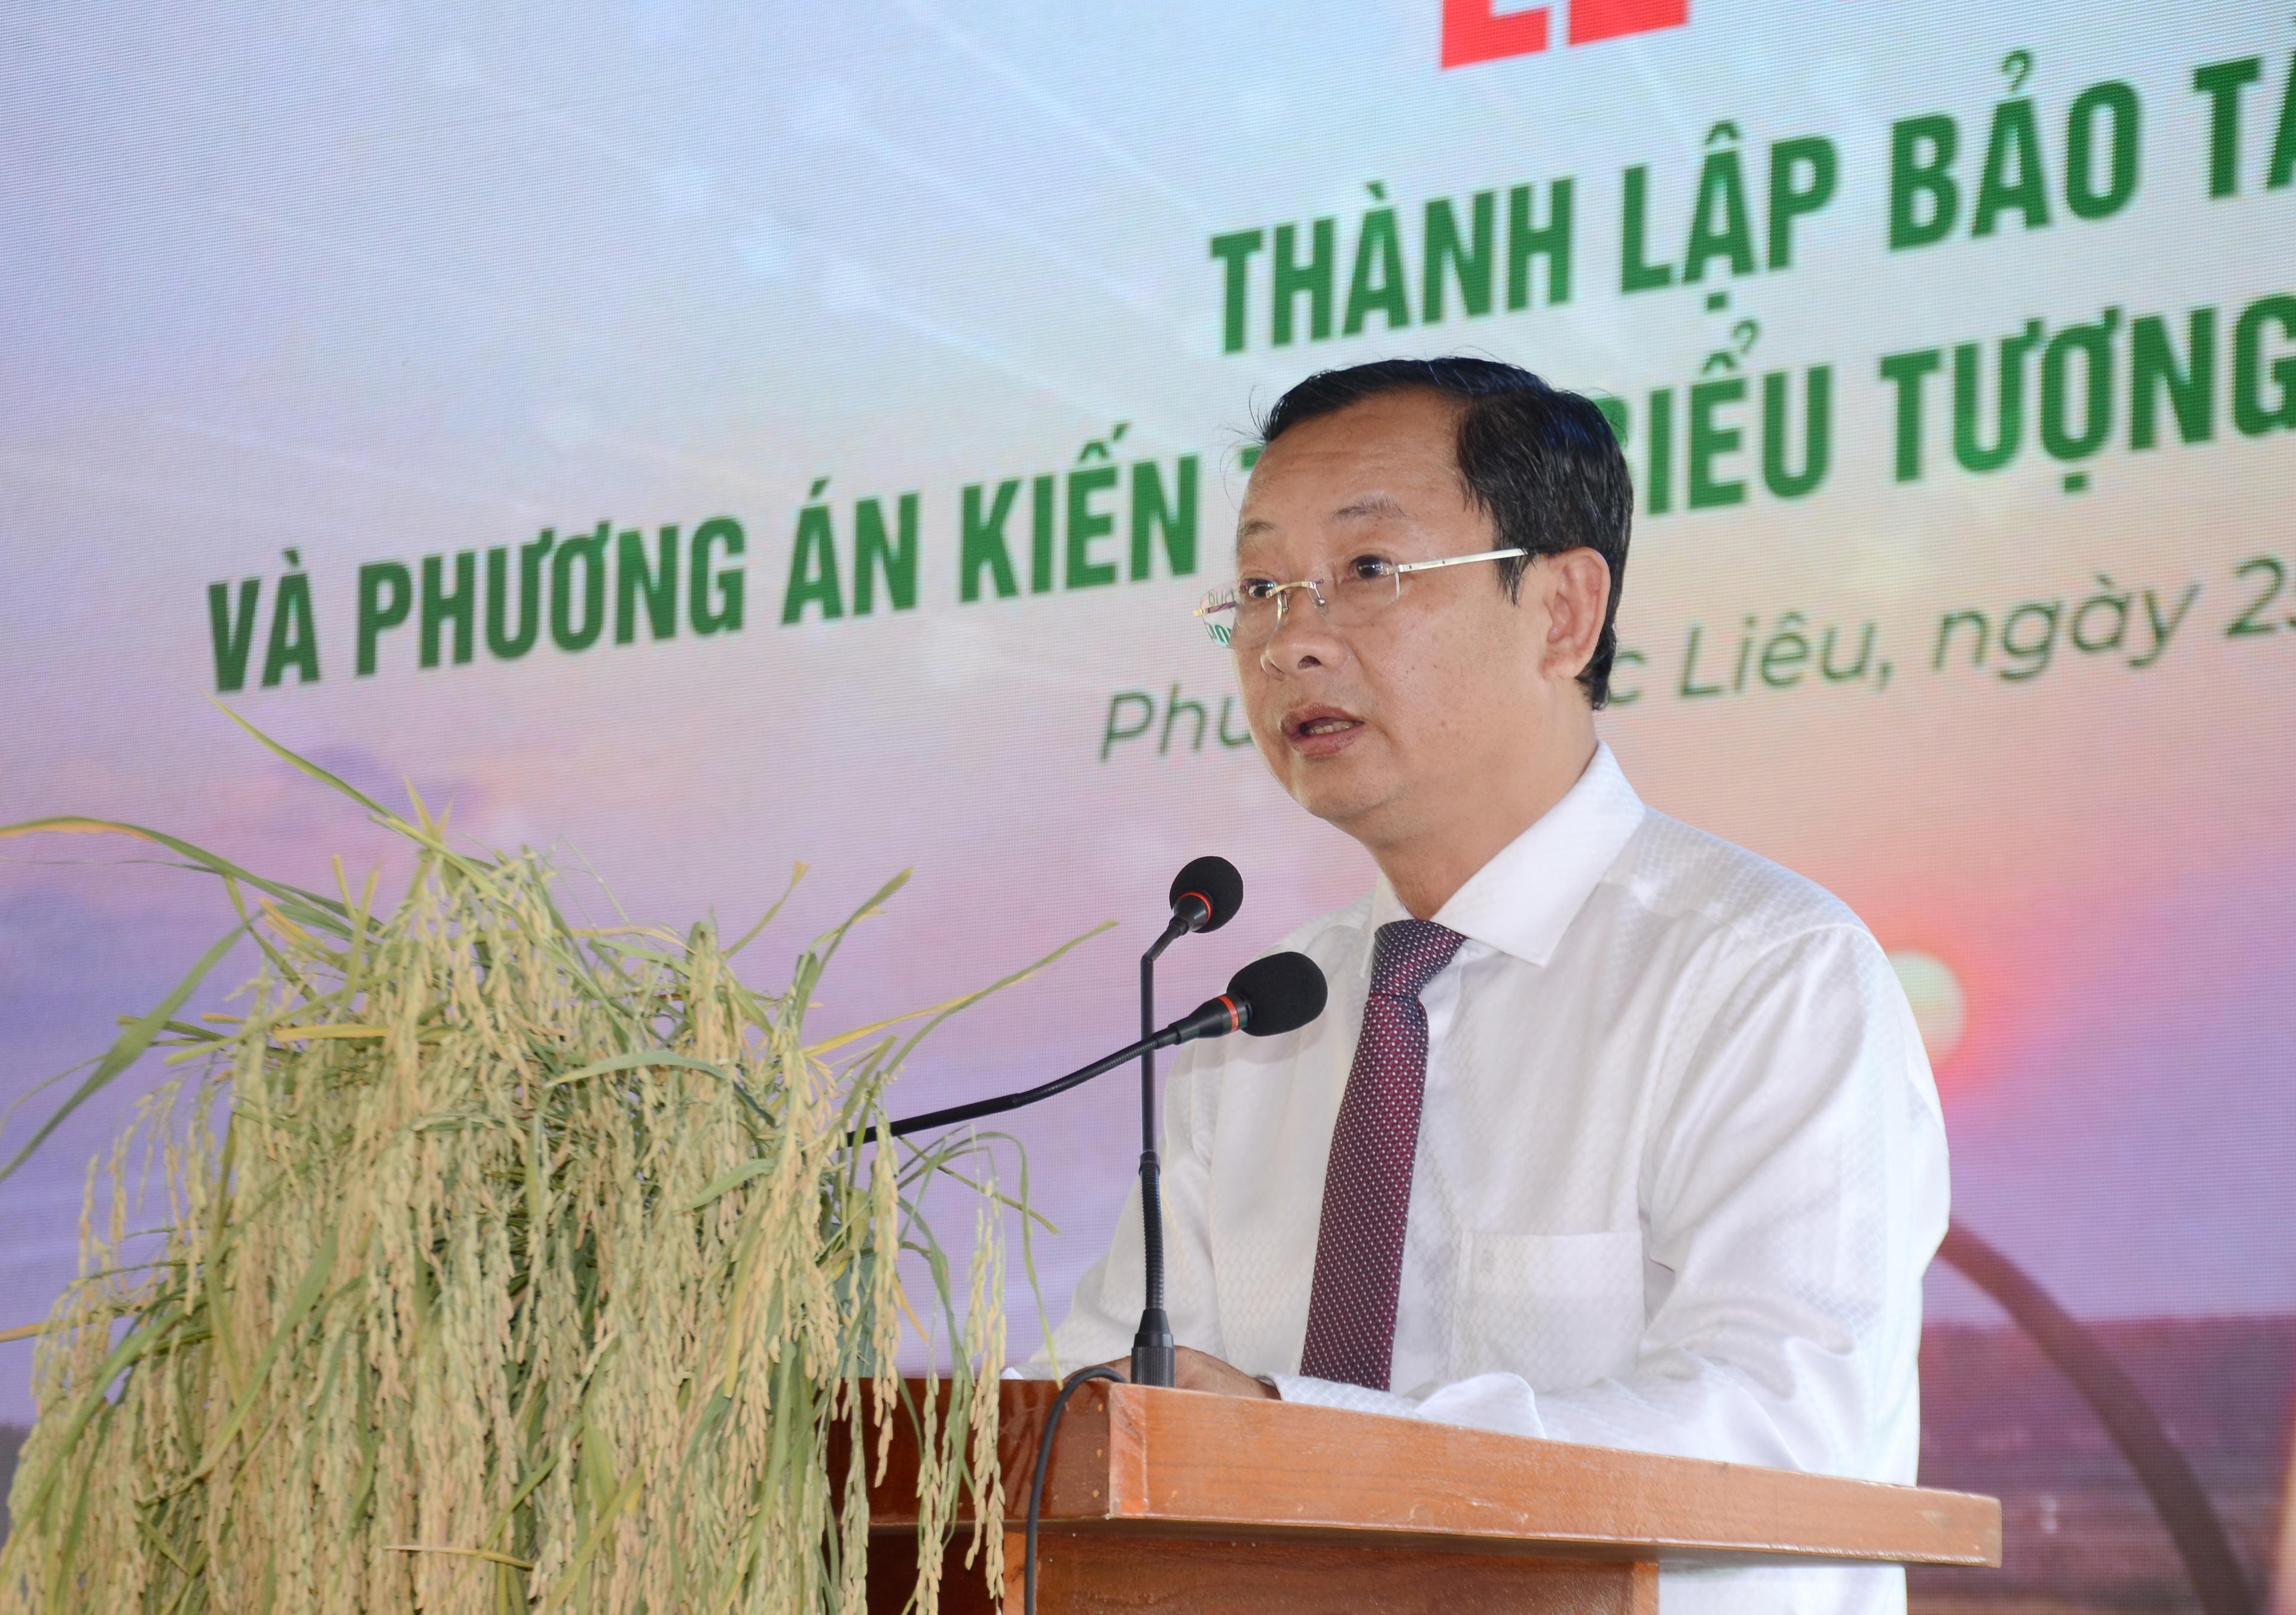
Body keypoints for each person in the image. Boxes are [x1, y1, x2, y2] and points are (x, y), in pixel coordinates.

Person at [1032, 356, 1949, 1614]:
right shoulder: (1256, 1023)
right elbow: (1093, 1419)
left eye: (1368, 569)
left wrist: (1297, 1435)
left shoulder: (1765, 975)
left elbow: (1785, 1436)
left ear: (1564, 611)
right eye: (1259, 588)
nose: (1292, 638)